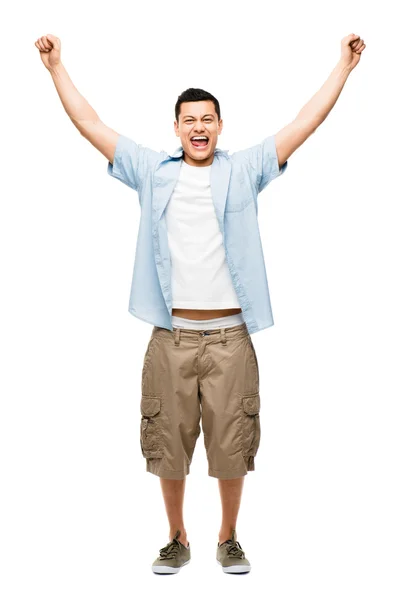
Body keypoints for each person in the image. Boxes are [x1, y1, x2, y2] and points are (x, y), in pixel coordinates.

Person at [35, 32, 366, 575]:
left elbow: (305, 122)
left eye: (207, 118)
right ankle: (176, 537)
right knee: (167, 445)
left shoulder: (244, 170)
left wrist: (344, 69)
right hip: (171, 337)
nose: (198, 127)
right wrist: (56, 69)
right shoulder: (151, 170)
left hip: (232, 337)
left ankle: (229, 537)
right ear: (176, 128)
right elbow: (90, 124)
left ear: (219, 125)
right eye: (189, 119)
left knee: (233, 445)